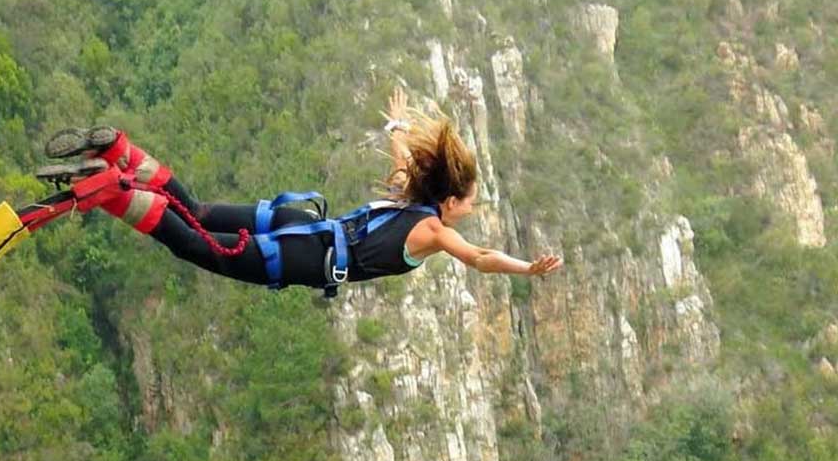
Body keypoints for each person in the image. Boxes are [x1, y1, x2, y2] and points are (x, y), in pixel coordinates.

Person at [37, 87, 562, 292]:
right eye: (468, 204)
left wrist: (397, 126)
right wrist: (526, 267)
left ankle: (124, 153)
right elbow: (481, 257)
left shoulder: (408, 194)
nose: (468, 213)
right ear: (449, 202)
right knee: (196, 245)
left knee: (196, 209)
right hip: (301, 254)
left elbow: (402, 158)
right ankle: (112, 193)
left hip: (302, 223)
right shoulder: (430, 226)